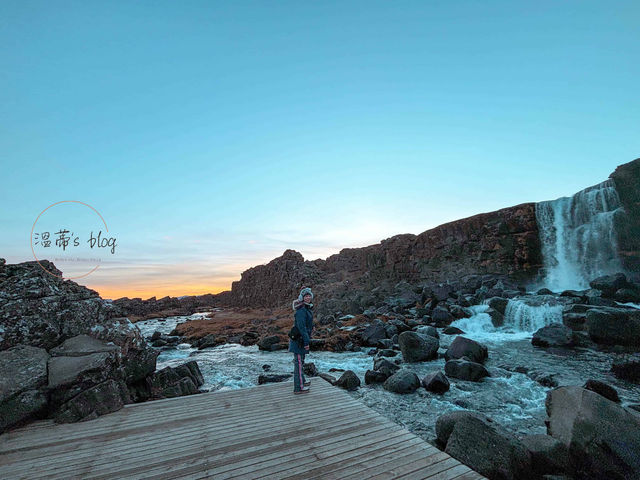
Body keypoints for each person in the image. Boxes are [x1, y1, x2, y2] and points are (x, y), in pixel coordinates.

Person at [289, 286, 314, 394]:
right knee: (298, 364)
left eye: (309, 296)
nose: (308, 297)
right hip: (299, 341)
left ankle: (302, 381)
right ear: (302, 298)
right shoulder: (301, 310)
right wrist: (306, 342)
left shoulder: (306, 308)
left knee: (301, 362)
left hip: (301, 339)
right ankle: (298, 388)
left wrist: (312, 326)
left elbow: (307, 323)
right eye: (306, 296)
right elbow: (301, 327)